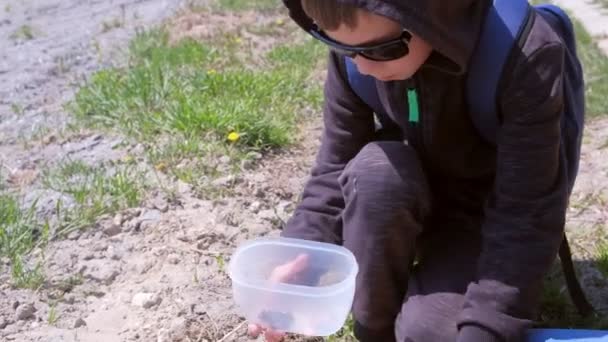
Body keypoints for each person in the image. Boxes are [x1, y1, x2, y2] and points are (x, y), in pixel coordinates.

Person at [249, 0, 580, 341]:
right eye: (340, 47)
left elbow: (527, 209)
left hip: (486, 222)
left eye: (380, 50)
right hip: (406, 202)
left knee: (428, 331)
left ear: (428, 16)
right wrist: (297, 259)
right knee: (374, 171)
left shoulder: (523, 53)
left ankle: (432, 295)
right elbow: (335, 167)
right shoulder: (358, 47)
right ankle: (374, 328)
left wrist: (491, 323)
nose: (361, 67)